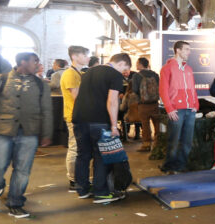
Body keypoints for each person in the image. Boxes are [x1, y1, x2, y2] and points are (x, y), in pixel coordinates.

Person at [0, 52, 52, 218]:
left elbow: (47, 110)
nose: (37, 64)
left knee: (22, 170)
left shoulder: (41, 84)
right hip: (2, 132)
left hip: (29, 133)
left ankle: (15, 202)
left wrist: (47, 133)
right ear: (22, 62)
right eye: (34, 61)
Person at [72, 53, 131, 204]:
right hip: (99, 121)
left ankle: (82, 189)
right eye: (125, 68)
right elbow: (112, 101)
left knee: (82, 155)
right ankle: (101, 192)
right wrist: (113, 125)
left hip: (79, 119)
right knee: (102, 156)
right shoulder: (115, 75)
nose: (124, 72)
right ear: (121, 63)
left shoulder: (89, 71)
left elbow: (77, 95)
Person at [159, 41, 197, 174]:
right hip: (176, 109)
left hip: (189, 109)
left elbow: (192, 88)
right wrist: (169, 108)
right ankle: (169, 166)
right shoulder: (167, 68)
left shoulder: (188, 69)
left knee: (187, 141)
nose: (189, 52)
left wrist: (195, 104)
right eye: (186, 49)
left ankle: (181, 166)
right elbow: (163, 90)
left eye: (189, 49)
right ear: (178, 50)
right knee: (174, 140)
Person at [59, 46, 90, 191]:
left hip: (80, 116)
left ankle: (77, 177)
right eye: (85, 55)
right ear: (75, 56)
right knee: (75, 148)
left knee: (80, 148)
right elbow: (77, 97)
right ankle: (73, 179)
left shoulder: (78, 73)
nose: (87, 58)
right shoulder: (70, 74)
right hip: (74, 116)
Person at [128, 57, 160, 152]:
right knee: (157, 124)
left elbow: (135, 90)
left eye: (137, 63)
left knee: (145, 125)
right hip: (154, 103)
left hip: (143, 104)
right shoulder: (155, 74)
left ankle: (146, 145)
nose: (136, 65)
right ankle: (158, 144)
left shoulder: (137, 76)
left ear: (141, 64)